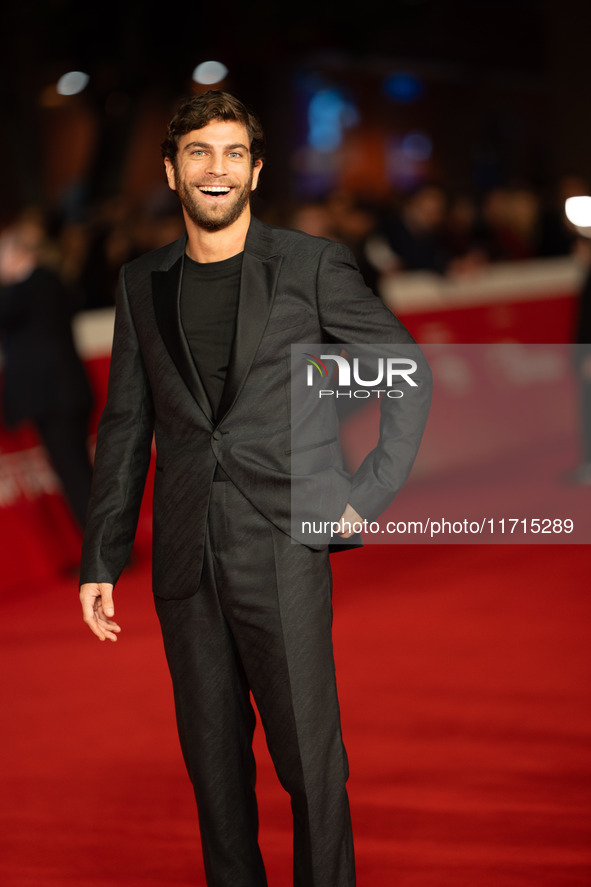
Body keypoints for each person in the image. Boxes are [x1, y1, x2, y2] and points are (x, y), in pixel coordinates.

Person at [79, 91, 432, 887]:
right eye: (200, 153)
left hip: (283, 541)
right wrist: (100, 555)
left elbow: (407, 371)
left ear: (256, 170)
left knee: (310, 768)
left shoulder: (309, 265)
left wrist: (363, 495)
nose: (217, 169)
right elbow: (128, 422)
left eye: (233, 153)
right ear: (171, 172)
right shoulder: (143, 282)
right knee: (215, 779)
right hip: (184, 559)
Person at [0, 219, 94, 531]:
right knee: (80, 471)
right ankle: (107, 550)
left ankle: (103, 555)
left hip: (53, 399)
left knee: (75, 474)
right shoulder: (51, 281)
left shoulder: (27, 287)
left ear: (17, 254)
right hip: (68, 393)